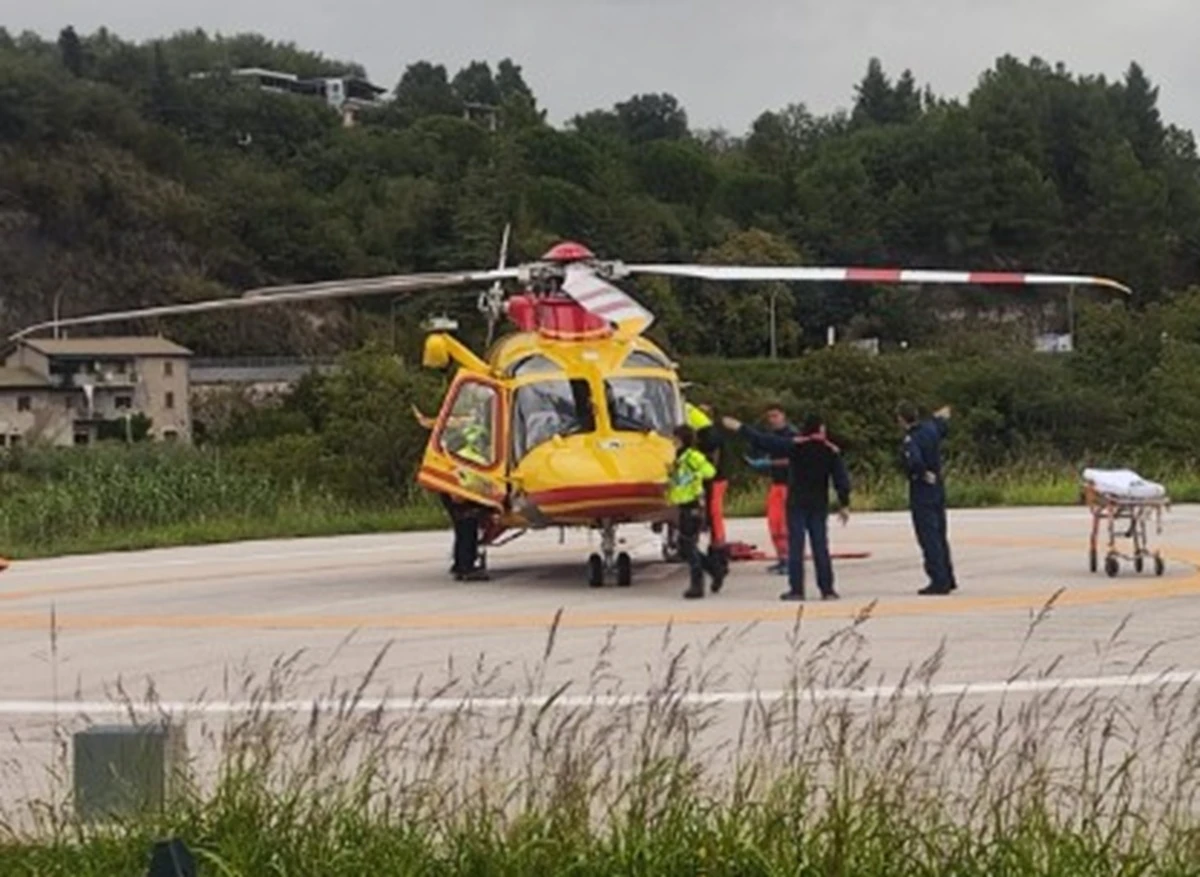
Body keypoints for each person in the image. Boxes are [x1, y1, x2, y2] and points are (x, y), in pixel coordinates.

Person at [724, 413, 851, 601]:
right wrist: (844, 503)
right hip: (818, 503)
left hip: (797, 503)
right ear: (821, 429)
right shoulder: (830, 451)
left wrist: (741, 428)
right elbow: (841, 479)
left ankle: (797, 590)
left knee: (796, 547)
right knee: (820, 546)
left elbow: (766, 441)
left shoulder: (795, 446)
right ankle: (827, 589)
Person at [896, 402, 957, 596]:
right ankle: (948, 577)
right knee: (940, 534)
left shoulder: (911, 438)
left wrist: (921, 473)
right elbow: (941, 424)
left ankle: (938, 580)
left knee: (928, 536)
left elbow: (913, 461)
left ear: (901, 419)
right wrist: (940, 416)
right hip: (938, 487)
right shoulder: (930, 429)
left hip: (922, 489)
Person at [667, 424, 726, 599]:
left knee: (688, 546)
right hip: (683, 504)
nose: (672, 442)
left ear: (681, 439)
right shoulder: (680, 458)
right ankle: (715, 570)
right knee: (685, 547)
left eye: (675, 438)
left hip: (692, 504)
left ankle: (697, 584)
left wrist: (695, 476)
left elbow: (709, 471)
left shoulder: (692, 457)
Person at [746, 405, 795, 574]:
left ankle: (790, 560)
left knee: (785, 525)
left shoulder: (792, 436)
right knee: (774, 524)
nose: (772, 420)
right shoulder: (772, 437)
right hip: (776, 484)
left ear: (783, 416)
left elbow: (794, 460)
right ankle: (782, 558)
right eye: (770, 417)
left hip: (788, 485)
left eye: (775, 416)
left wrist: (770, 463)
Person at [687, 403, 730, 580]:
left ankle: (719, 552)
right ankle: (713, 548)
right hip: (708, 479)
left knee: (714, 514)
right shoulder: (704, 437)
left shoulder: (711, 437)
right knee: (707, 515)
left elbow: (712, 458)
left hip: (716, 479)